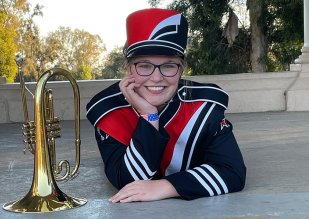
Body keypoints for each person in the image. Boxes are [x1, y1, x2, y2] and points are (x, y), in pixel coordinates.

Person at [86, 8, 246, 203]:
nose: (156, 77)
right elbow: (127, 181)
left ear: (182, 70)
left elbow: (233, 172)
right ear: (128, 69)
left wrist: (166, 186)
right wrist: (149, 115)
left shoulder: (205, 107)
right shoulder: (108, 110)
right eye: (144, 65)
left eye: (169, 65)